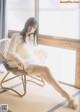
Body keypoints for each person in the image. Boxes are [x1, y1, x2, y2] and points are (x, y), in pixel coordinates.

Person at [6, 17, 77, 109]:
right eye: (30, 26)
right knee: (46, 69)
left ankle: (68, 97)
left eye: (34, 28)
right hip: (23, 63)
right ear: (27, 24)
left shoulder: (31, 38)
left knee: (49, 79)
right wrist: (19, 59)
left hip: (32, 61)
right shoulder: (16, 36)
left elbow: (32, 51)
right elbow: (10, 52)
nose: (31, 29)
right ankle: (69, 97)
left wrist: (41, 52)